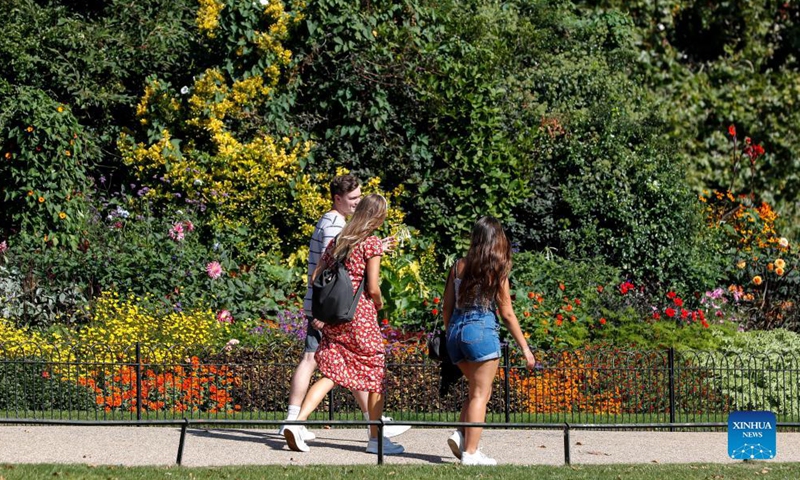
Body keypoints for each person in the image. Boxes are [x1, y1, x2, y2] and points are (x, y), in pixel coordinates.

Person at [280, 176, 410, 442]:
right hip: (358, 315)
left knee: (331, 372)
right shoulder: (368, 241)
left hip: (336, 316)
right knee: (374, 369)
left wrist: (322, 307)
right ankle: (376, 438)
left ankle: (296, 422)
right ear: (378, 217)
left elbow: (318, 271)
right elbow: (372, 287)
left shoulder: (340, 237)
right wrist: (379, 303)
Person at [442, 216, 536, 466]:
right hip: (481, 331)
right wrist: (525, 348)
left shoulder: (458, 265)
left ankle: (462, 436)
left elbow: (446, 308)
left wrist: (452, 333)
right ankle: (471, 454)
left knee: (475, 391)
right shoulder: (497, 267)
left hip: (455, 333)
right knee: (481, 394)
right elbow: (506, 312)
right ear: (496, 239)